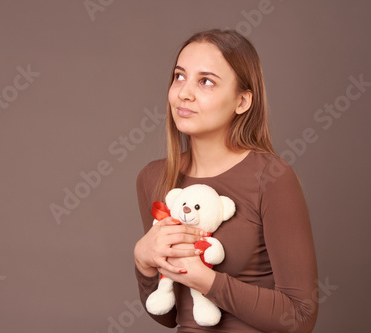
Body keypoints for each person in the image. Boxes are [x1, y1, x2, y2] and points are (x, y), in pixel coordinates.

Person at [133, 29, 318, 332]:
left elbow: (299, 317)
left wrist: (207, 280)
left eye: (205, 81)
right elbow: (167, 316)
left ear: (242, 101)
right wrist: (143, 264)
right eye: (180, 76)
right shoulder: (154, 178)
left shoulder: (271, 178)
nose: (184, 93)